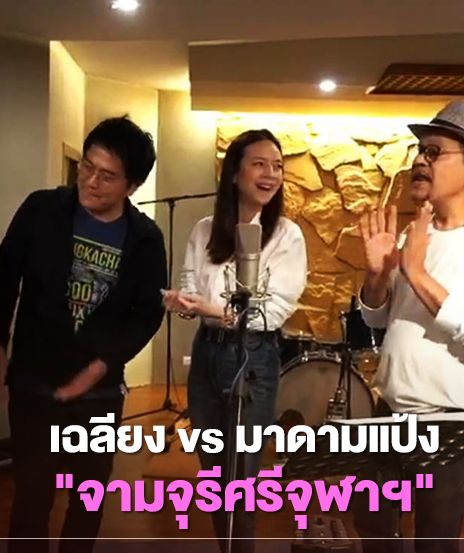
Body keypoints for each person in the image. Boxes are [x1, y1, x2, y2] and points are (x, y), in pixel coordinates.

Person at [355, 99, 464, 553]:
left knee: (434, 542)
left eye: (434, 152)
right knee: (374, 533)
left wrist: (416, 271)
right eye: (420, 150)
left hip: (452, 424)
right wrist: (376, 276)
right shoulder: (415, 234)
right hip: (390, 412)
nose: (420, 160)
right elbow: (378, 319)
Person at [0, 115, 167, 553]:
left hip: (99, 393)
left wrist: (103, 365)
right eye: (87, 166)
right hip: (35, 382)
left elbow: (146, 315)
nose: (91, 181)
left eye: (107, 176)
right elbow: (4, 277)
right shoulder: (41, 209)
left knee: (87, 501)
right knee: (32, 498)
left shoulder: (145, 238)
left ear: (132, 185)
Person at [163, 129, 307, 553]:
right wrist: (182, 302)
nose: (270, 174)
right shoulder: (204, 230)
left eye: (277, 166)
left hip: (254, 356)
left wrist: (210, 308)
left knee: (241, 476)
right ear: (233, 173)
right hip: (207, 351)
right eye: (259, 164)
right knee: (213, 475)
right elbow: (191, 288)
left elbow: (270, 314)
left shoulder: (287, 235)